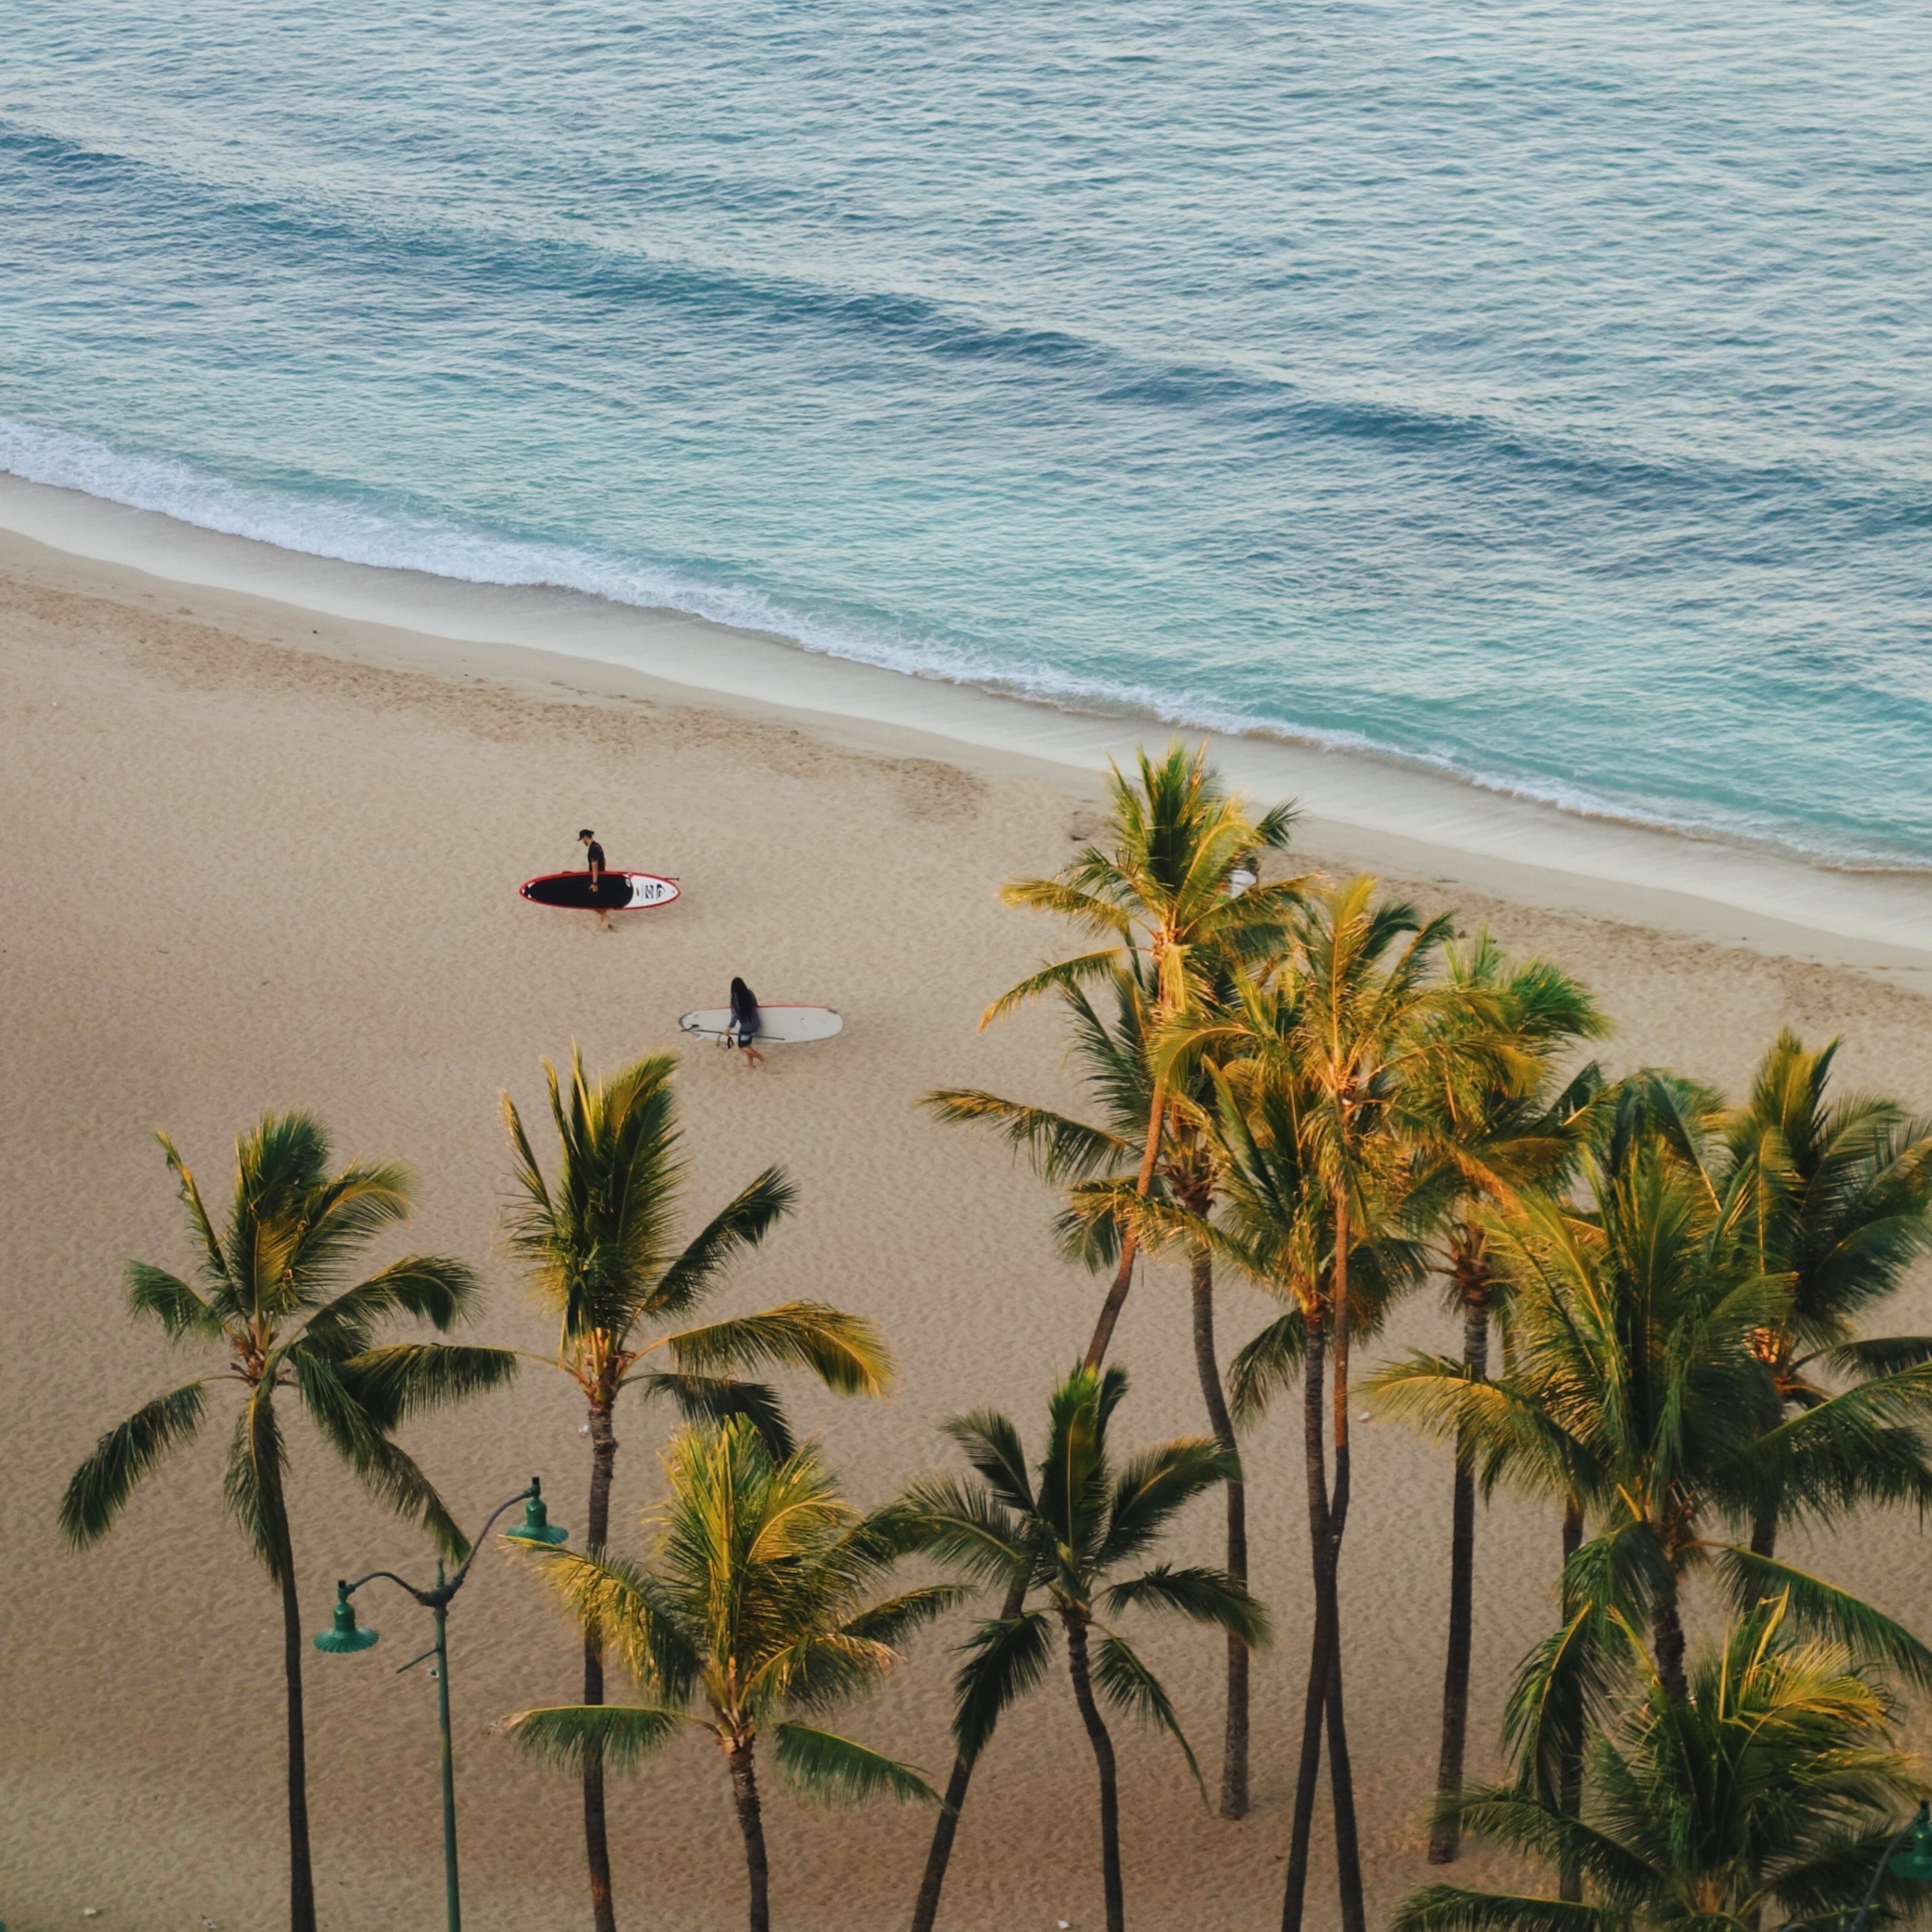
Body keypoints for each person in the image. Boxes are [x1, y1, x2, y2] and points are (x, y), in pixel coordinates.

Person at [727, 976, 765, 1068]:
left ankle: (762, 1059)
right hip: (756, 1023)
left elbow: (735, 1016)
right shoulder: (750, 993)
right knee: (748, 1045)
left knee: (742, 1046)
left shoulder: (736, 999)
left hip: (747, 1027)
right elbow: (756, 1005)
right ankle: (751, 1065)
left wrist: (729, 1029)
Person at [579, 828, 611, 930]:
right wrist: (604, 873)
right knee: (598, 901)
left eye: (582, 840)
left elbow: (595, 867)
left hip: (597, 879)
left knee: (593, 903)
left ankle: (605, 921)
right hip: (601, 876)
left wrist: (595, 883)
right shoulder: (598, 846)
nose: (583, 842)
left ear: (585, 838)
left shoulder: (592, 849)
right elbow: (604, 860)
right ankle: (604, 922)